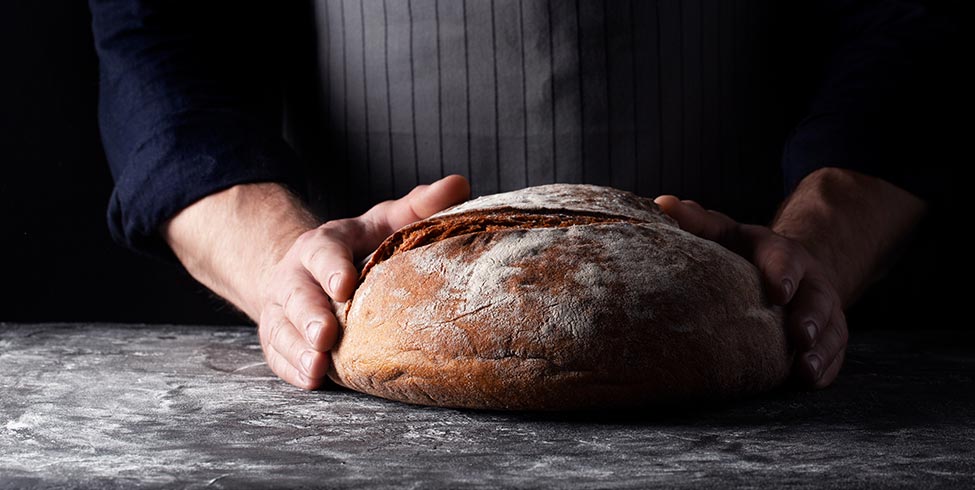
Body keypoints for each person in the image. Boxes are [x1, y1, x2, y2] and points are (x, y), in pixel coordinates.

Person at [89, 0, 951, 391]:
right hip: (373, 318)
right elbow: (163, 35)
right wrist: (286, 265)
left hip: (756, 313)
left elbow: (916, 22)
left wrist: (817, 256)